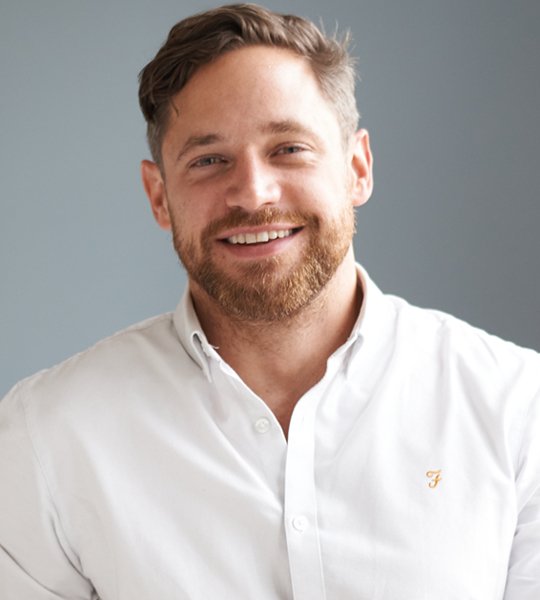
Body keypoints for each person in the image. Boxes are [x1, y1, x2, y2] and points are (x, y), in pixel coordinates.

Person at [1, 3, 538, 599]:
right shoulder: (47, 436)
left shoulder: (518, 409)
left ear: (357, 168)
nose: (253, 194)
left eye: (289, 148)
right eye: (209, 160)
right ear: (158, 196)